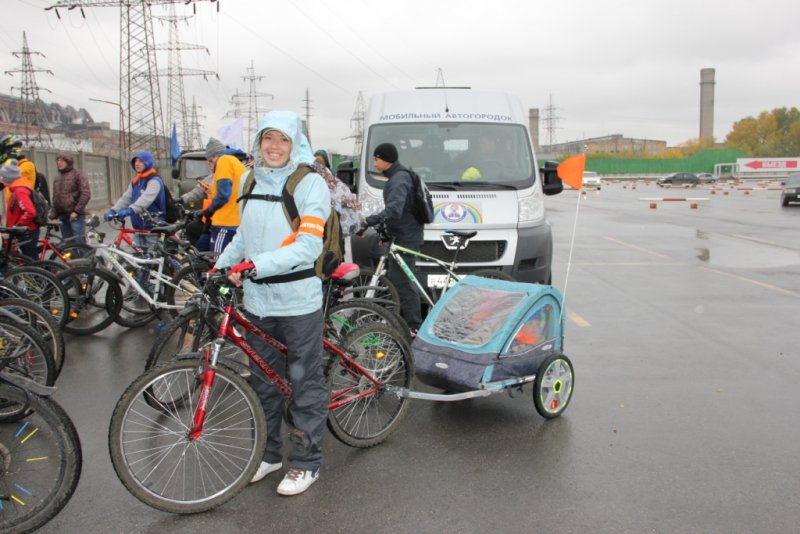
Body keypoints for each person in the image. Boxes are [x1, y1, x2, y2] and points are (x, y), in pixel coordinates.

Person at [215, 110, 331, 497]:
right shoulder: (249, 178)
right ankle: (268, 455)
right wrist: (222, 266)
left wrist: (255, 266)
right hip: (258, 301)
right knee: (263, 384)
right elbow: (243, 238)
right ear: (258, 143)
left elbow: (309, 244)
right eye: (268, 139)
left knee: (303, 384)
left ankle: (305, 463)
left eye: (283, 139)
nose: (275, 147)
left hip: (298, 301)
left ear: (295, 142)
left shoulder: (310, 183)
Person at [362, 142, 423, 332]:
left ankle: (413, 326)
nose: (375, 163)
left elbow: (395, 210)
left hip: (407, 236)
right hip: (402, 234)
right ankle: (398, 321)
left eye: (376, 159)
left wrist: (369, 221)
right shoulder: (398, 176)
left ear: (384, 159)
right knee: (397, 280)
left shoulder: (399, 179)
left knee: (403, 282)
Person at [103, 151, 167, 247]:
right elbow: (126, 198)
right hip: (138, 229)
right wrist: (113, 210)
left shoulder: (155, 181)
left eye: (141, 161)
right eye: (136, 161)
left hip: (153, 228)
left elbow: (145, 200)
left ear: (148, 162)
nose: (137, 163)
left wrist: (130, 210)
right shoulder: (136, 181)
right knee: (137, 258)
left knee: (153, 259)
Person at [199, 138, 247, 255]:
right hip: (238, 222)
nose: (210, 165)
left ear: (215, 157)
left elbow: (223, 194)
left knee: (218, 265)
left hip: (226, 224)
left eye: (210, 161)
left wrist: (209, 211)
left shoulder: (224, 161)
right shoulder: (236, 162)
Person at [313, 148, 364, 237]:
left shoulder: (334, 182)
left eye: (320, 162)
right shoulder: (308, 180)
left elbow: (346, 202)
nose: (318, 165)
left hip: (334, 230)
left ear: (326, 164)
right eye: (315, 162)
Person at [1, 160, 40, 259]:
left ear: (9, 178)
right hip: (27, 229)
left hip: (27, 230)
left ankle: (37, 274)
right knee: (29, 257)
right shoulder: (19, 185)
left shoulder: (19, 190)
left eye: (3, 178)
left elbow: (30, 212)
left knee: (30, 259)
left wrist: (18, 225)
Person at [50, 152, 91, 245]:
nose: (58, 162)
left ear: (68, 161)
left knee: (78, 242)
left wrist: (76, 211)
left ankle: (84, 258)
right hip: (63, 216)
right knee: (68, 244)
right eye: (57, 160)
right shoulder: (57, 178)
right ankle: (73, 259)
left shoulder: (78, 174)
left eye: (61, 160)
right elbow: (56, 196)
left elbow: (85, 194)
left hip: (75, 216)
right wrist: (53, 214)